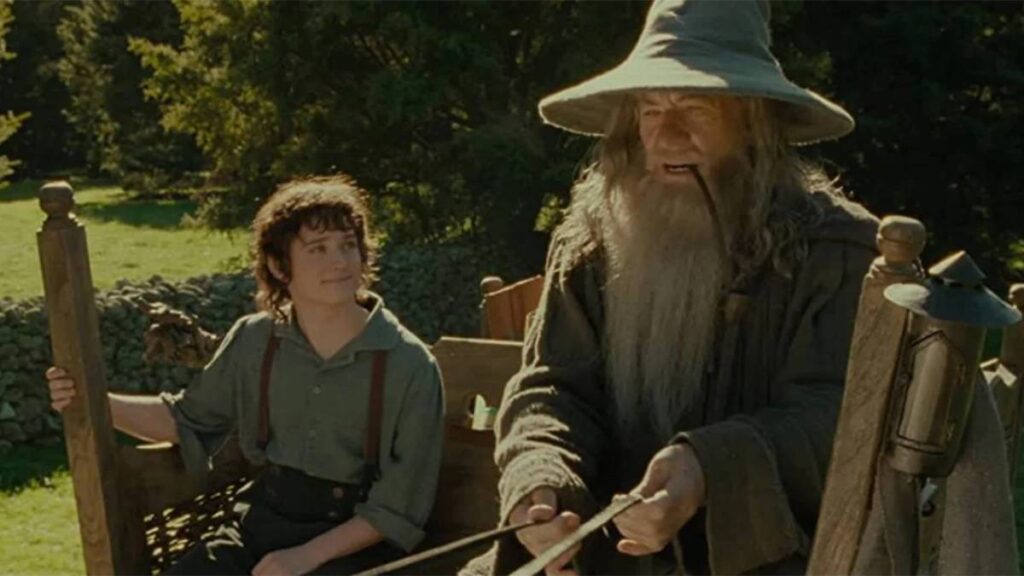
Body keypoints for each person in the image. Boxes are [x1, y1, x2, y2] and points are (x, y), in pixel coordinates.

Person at [464, 1, 882, 574]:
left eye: (695, 108)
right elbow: (554, 387)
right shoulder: (592, 241)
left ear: (755, 122)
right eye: (651, 110)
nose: (667, 136)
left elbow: (840, 415)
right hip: (603, 556)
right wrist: (541, 479)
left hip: (766, 559)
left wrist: (708, 467)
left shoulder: (834, 251)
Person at [47, 175, 445, 575]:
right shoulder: (256, 340)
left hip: (356, 545)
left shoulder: (408, 364)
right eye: (318, 249)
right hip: (261, 523)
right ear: (279, 266)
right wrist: (92, 400)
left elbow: (398, 507)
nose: (340, 261)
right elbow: (188, 419)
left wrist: (305, 557)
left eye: (348, 245)